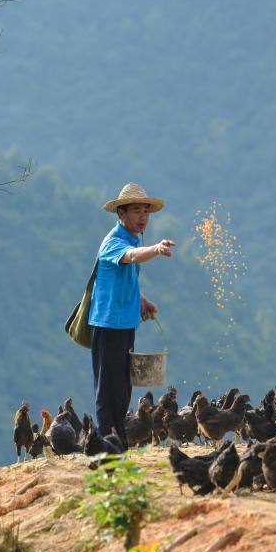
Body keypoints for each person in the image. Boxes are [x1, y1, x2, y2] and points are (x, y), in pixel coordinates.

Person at [88, 183, 175, 451]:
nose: (143, 217)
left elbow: (129, 274)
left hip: (126, 323)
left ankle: (119, 444)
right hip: (108, 324)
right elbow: (131, 257)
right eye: (136, 211)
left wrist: (141, 300)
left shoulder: (132, 239)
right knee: (108, 389)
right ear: (121, 214)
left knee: (123, 389)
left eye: (146, 212)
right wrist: (156, 249)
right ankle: (105, 446)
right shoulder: (114, 243)